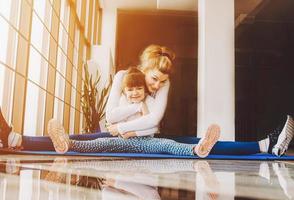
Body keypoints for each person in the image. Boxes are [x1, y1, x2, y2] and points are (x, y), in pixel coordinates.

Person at [0, 44, 293, 156]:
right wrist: (133, 111)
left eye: (162, 82)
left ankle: (265, 143)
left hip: (145, 136)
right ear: (142, 69)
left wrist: (129, 127)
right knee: (84, 139)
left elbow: (154, 121)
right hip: (117, 134)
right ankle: (17, 139)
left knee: (189, 142)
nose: (157, 86)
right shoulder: (121, 79)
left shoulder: (162, 85)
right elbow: (109, 116)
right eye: (154, 79)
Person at [46, 67, 220, 157]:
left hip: (146, 142)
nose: (135, 93)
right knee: (98, 143)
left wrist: (131, 132)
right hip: (121, 141)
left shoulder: (150, 101)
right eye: (130, 90)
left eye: (138, 89)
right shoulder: (122, 102)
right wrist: (126, 128)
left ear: (144, 90)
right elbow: (112, 121)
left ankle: (198, 149)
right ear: (125, 91)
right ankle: (66, 144)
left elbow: (153, 128)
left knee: (168, 144)